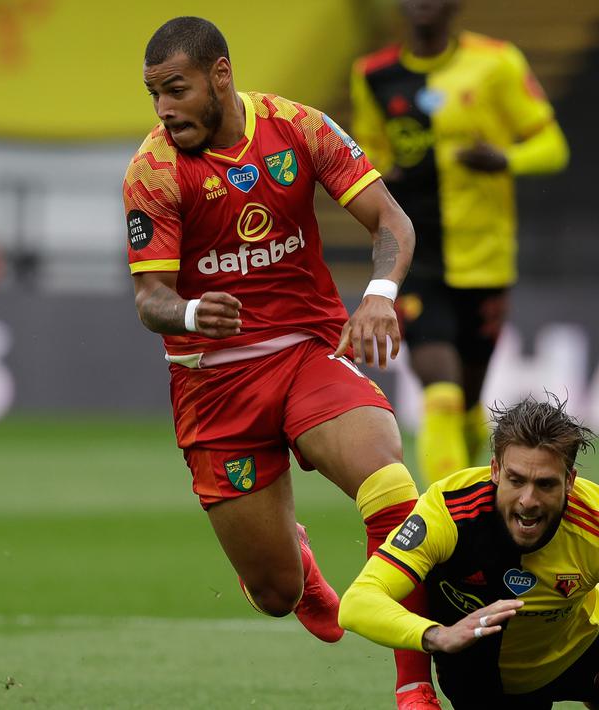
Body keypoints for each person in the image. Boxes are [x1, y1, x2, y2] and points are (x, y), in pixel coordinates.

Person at [125, 16, 441, 709]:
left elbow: (391, 222)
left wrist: (379, 295)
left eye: (175, 90)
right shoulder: (153, 170)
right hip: (214, 385)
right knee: (276, 593)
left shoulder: (299, 128)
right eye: (154, 95)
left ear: (220, 75)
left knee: (387, 480)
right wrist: (189, 313)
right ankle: (292, 560)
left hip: (307, 351)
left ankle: (414, 686)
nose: (163, 109)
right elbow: (150, 298)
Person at [349, 0, 569, 486]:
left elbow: (553, 146)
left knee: (468, 404)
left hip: (485, 260)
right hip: (416, 258)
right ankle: (448, 512)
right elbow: (368, 157)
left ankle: (473, 487)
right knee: (441, 393)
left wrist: (505, 160)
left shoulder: (497, 62)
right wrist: (385, 173)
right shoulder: (373, 75)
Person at [339, 395, 599, 708]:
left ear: (570, 481)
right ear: (495, 470)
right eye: (516, 480)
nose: (528, 501)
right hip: (483, 675)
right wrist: (437, 635)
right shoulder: (447, 512)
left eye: (545, 484)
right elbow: (357, 603)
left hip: (583, 649)